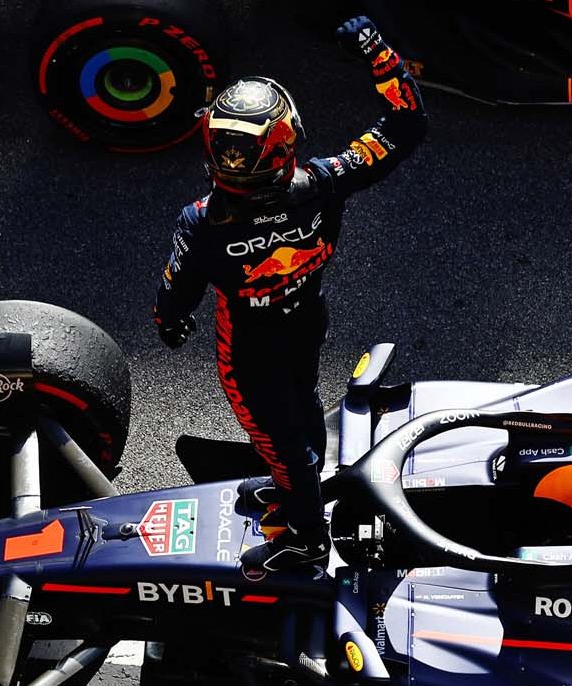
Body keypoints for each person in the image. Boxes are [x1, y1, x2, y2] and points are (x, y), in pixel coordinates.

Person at [154, 15, 428, 573]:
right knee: (300, 402)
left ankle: (305, 539)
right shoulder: (327, 181)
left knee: (278, 443)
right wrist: (378, 53)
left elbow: (174, 299)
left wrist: (172, 323)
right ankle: (297, 485)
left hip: (248, 347)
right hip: (307, 318)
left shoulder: (200, 223)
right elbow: (407, 122)